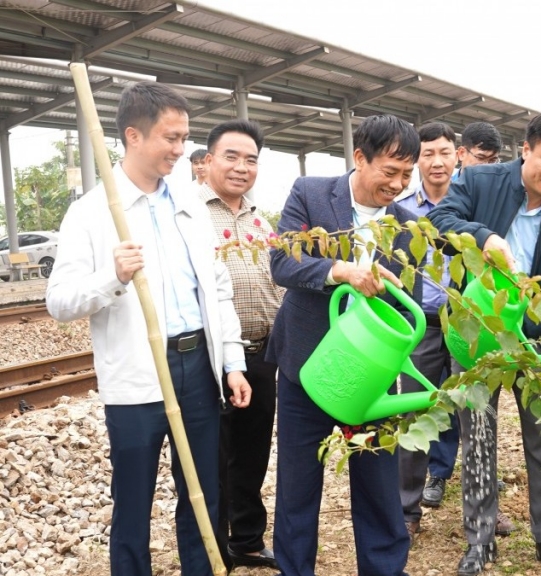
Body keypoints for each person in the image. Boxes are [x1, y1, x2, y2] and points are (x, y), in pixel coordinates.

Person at [46, 81, 251, 576]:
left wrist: (232, 362)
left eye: (184, 138)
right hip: (137, 379)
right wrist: (111, 277)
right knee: (133, 499)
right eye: (171, 138)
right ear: (132, 137)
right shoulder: (91, 213)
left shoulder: (186, 205)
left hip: (197, 368)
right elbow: (59, 302)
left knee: (202, 493)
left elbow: (216, 289)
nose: (182, 150)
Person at [429, 110, 541, 576]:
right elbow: (441, 218)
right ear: (527, 149)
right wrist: (485, 238)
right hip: (475, 336)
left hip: (533, 345)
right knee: (477, 438)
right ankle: (479, 542)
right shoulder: (479, 182)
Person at [266, 114, 423, 576]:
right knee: (297, 489)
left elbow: (405, 303)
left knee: (377, 486)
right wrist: (341, 270)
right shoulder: (311, 194)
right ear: (359, 157)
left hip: (369, 380)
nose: (397, 184)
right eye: (389, 171)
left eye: (406, 175)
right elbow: (282, 261)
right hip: (306, 369)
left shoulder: (411, 227)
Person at [395, 122, 517, 541]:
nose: (436, 161)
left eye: (444, 152)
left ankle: (485, 508)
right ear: (417, 160)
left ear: (459, 155)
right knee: (414, 413)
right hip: (422, 326)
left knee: (477, 417)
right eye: (427, 153)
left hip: (471, 327)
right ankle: (406, 512)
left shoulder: (476, 206)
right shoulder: (402, 209)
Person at [198, 119, 282, 571]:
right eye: (231, 156)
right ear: (208, 161)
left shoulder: (260, 220)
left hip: (262, 354)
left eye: (251, 159)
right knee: (214, 456)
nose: (241, 167)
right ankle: (212, 550)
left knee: (253, 452)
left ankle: (247, 540)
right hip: (212, 357)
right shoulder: (190, 216)